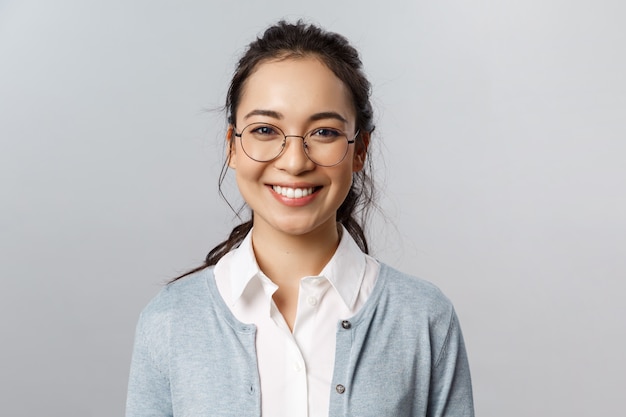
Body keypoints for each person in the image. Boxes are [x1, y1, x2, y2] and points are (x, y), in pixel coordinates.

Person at [126, 20, 474, 417]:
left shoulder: (424, 319)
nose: (294, 162)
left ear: (359, 149)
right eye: (264, 129)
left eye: (324, 132)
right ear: (232, 147)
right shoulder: (170, 322)